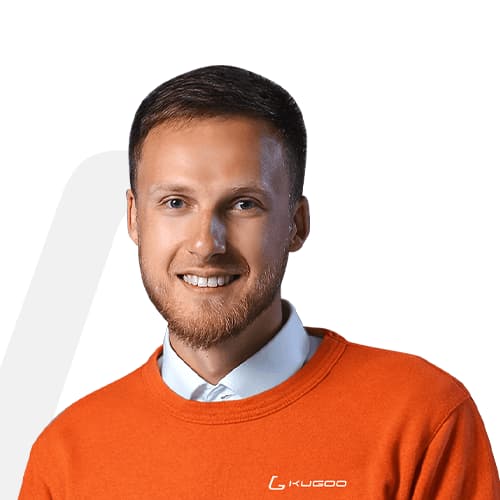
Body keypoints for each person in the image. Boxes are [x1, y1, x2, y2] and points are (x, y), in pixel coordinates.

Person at [20, 65, 499, 499]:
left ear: (296, 225)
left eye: (244, 204)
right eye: (175, 203)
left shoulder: (422, 417)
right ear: (133, 218)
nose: (206, 244)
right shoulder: (66, 455)